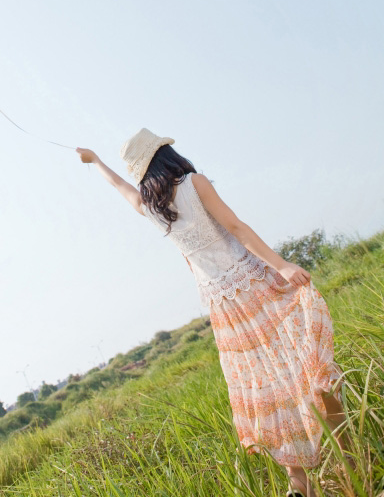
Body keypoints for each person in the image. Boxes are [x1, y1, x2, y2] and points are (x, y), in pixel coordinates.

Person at [76, 127, 350, 497]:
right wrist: (282, 265)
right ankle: (352, 459)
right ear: (164, 155)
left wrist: (96, 162)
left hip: (224, 308)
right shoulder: (193, 183)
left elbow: (119, 188)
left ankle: (299, 486)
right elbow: (235, 227)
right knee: (306, 367)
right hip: (254, 285)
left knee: (269, 387)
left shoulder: (150, 207)